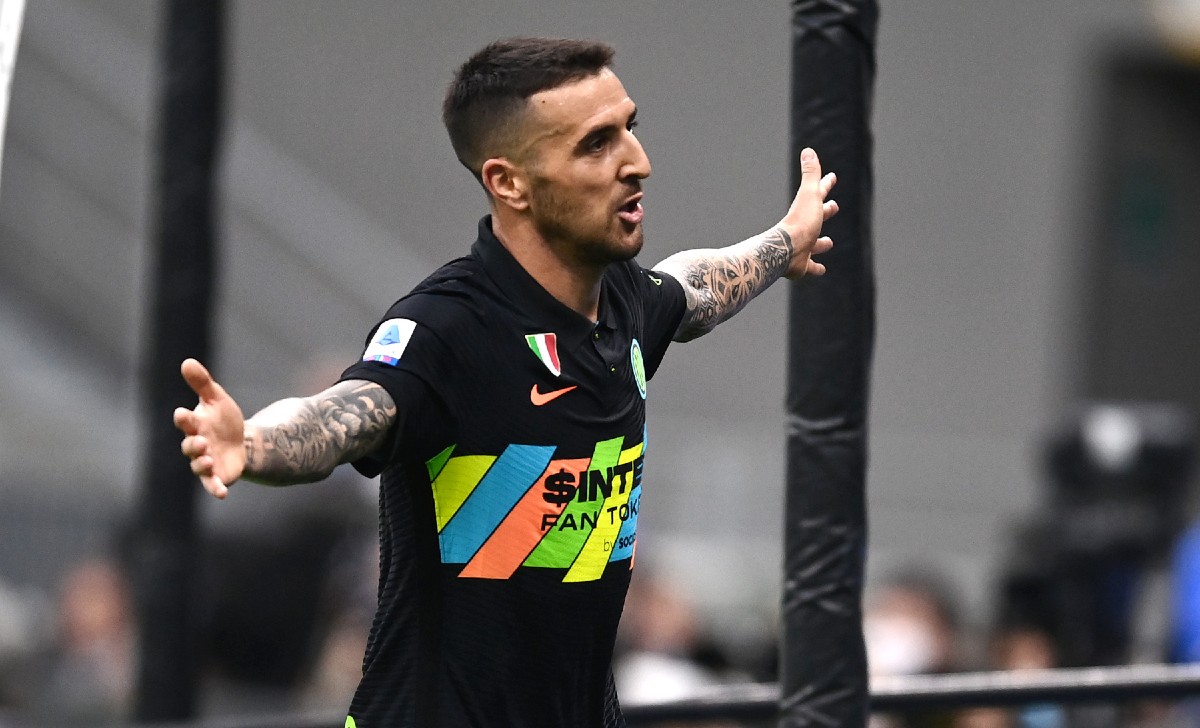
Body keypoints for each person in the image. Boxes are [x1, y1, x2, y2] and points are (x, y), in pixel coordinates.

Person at [174, 37, 836, 728]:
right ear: (508, 183)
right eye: (596, 144)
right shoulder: (447, 329)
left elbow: (696, 286)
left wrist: (785, 241)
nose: (637, 162)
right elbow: (348, 412)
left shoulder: (624, 301)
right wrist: (253, 444)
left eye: (629, 128)